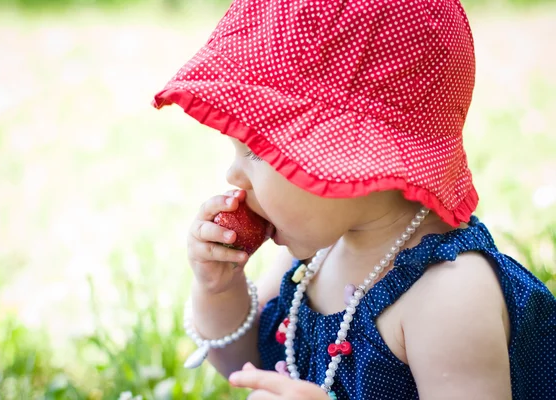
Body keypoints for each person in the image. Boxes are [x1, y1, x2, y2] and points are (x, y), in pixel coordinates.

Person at [153, 0, 556, 398]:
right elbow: (246, 366)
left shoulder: (448, 295)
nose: (233, 175)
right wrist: (219, 290)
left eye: (258, 151)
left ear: (355, 154)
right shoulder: (312, 254)